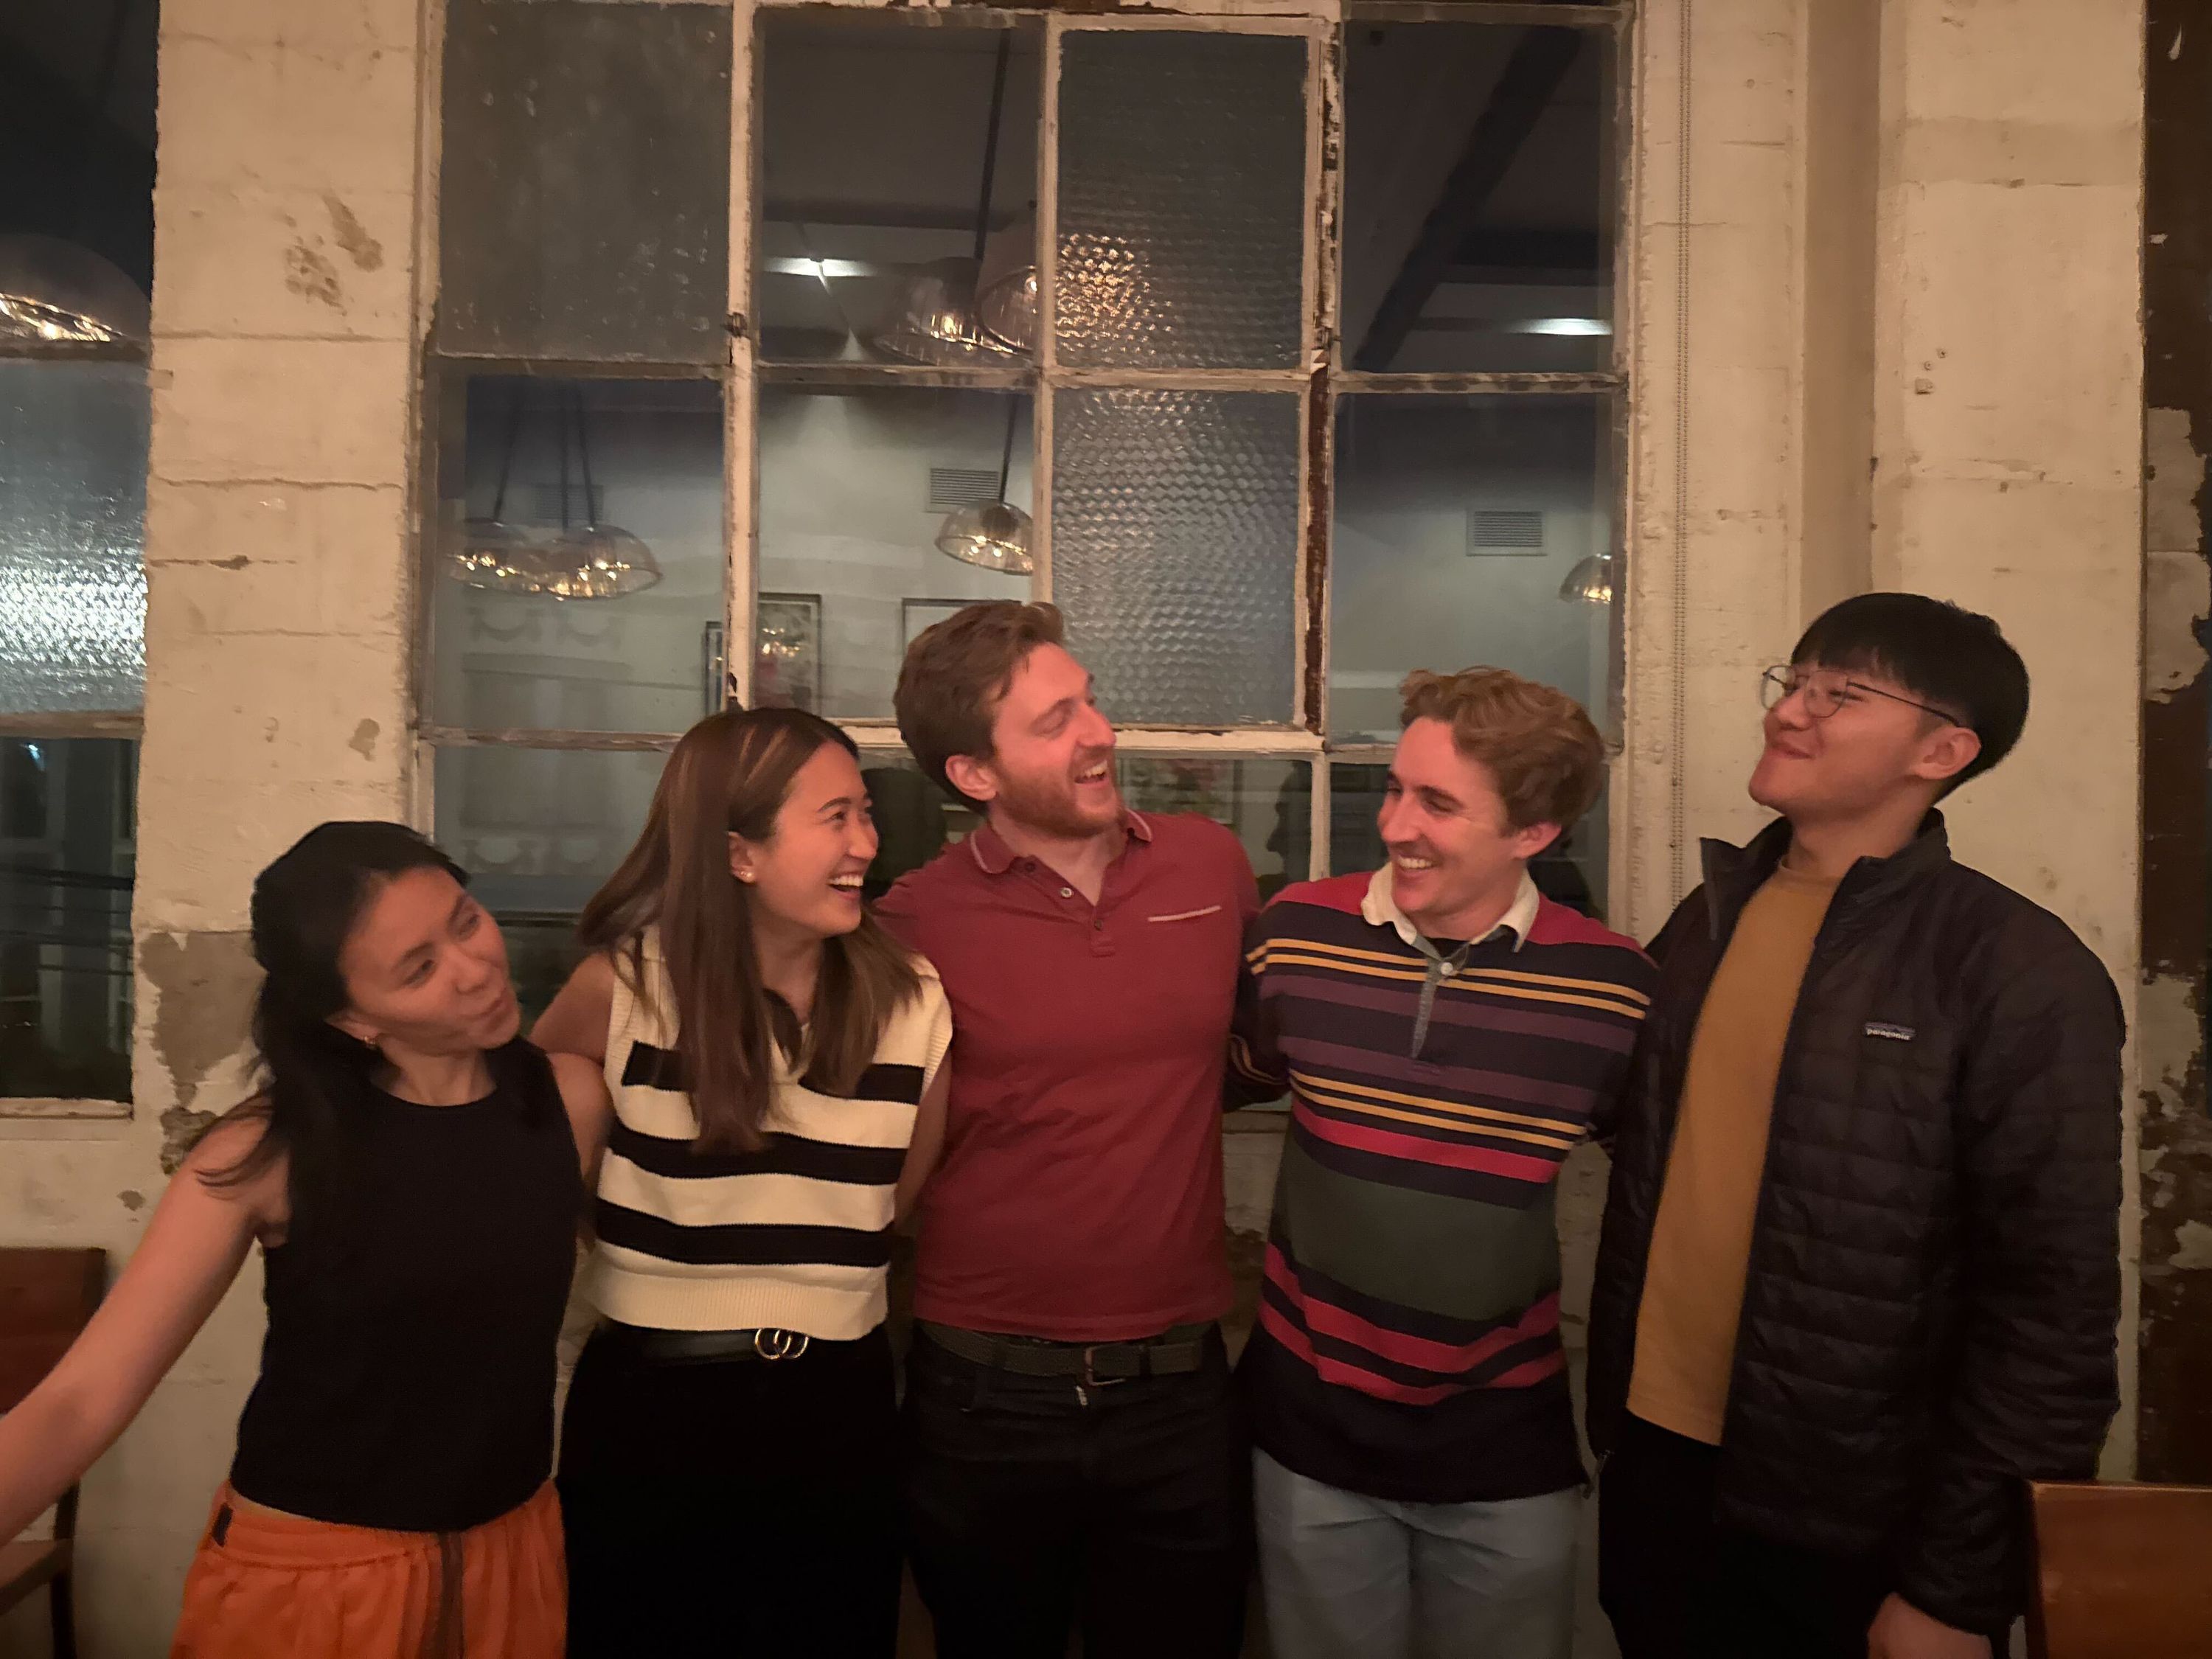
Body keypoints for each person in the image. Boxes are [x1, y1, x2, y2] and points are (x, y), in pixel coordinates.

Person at [1587, 594, 2125, 1659]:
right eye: (1795, 682)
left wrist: (1960, 1589)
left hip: (1850, 1515)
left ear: (1944, 748)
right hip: (1659, 1465)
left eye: (1843, 693)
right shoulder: (1708, 919)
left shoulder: (2016, 969)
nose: (1794, 711)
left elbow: (2052, 1309)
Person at [0, 821, 608, 1659]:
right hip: (320, 1580)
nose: (474, 970)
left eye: (465, 920)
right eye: (419, 969)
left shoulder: (570, 1101)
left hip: (515, 1558)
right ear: (352, 1016)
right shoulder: (266, 1155)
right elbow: (80, 1398)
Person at [1230, 668, 1655, 1659]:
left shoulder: (1615, 991)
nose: (1394, 824)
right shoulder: (1295, 935)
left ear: (1533, 834)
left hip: (1506, 1440)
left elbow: (1669, 1195)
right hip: (1308, 1430)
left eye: (1438, 802)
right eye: (1394, 787)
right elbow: (1199, 1085)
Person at [878, 601, 1259, 1659]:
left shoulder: (1209, 867)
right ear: (974, 776)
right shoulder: (912, 920)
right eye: (1056, 720)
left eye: (1089, 700)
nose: (1098, 730)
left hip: (1180, 1385)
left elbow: (1266, 1036)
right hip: (984, 1394)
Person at [532, 707, 953, 1657]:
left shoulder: (916, 1002)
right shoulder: (622, 989)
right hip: (650, 1412)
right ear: (739, 853)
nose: (867, 844)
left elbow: (891, 1206)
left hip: (836, 1410)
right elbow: (536, 1172)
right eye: (836, 817)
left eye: (867, 813)